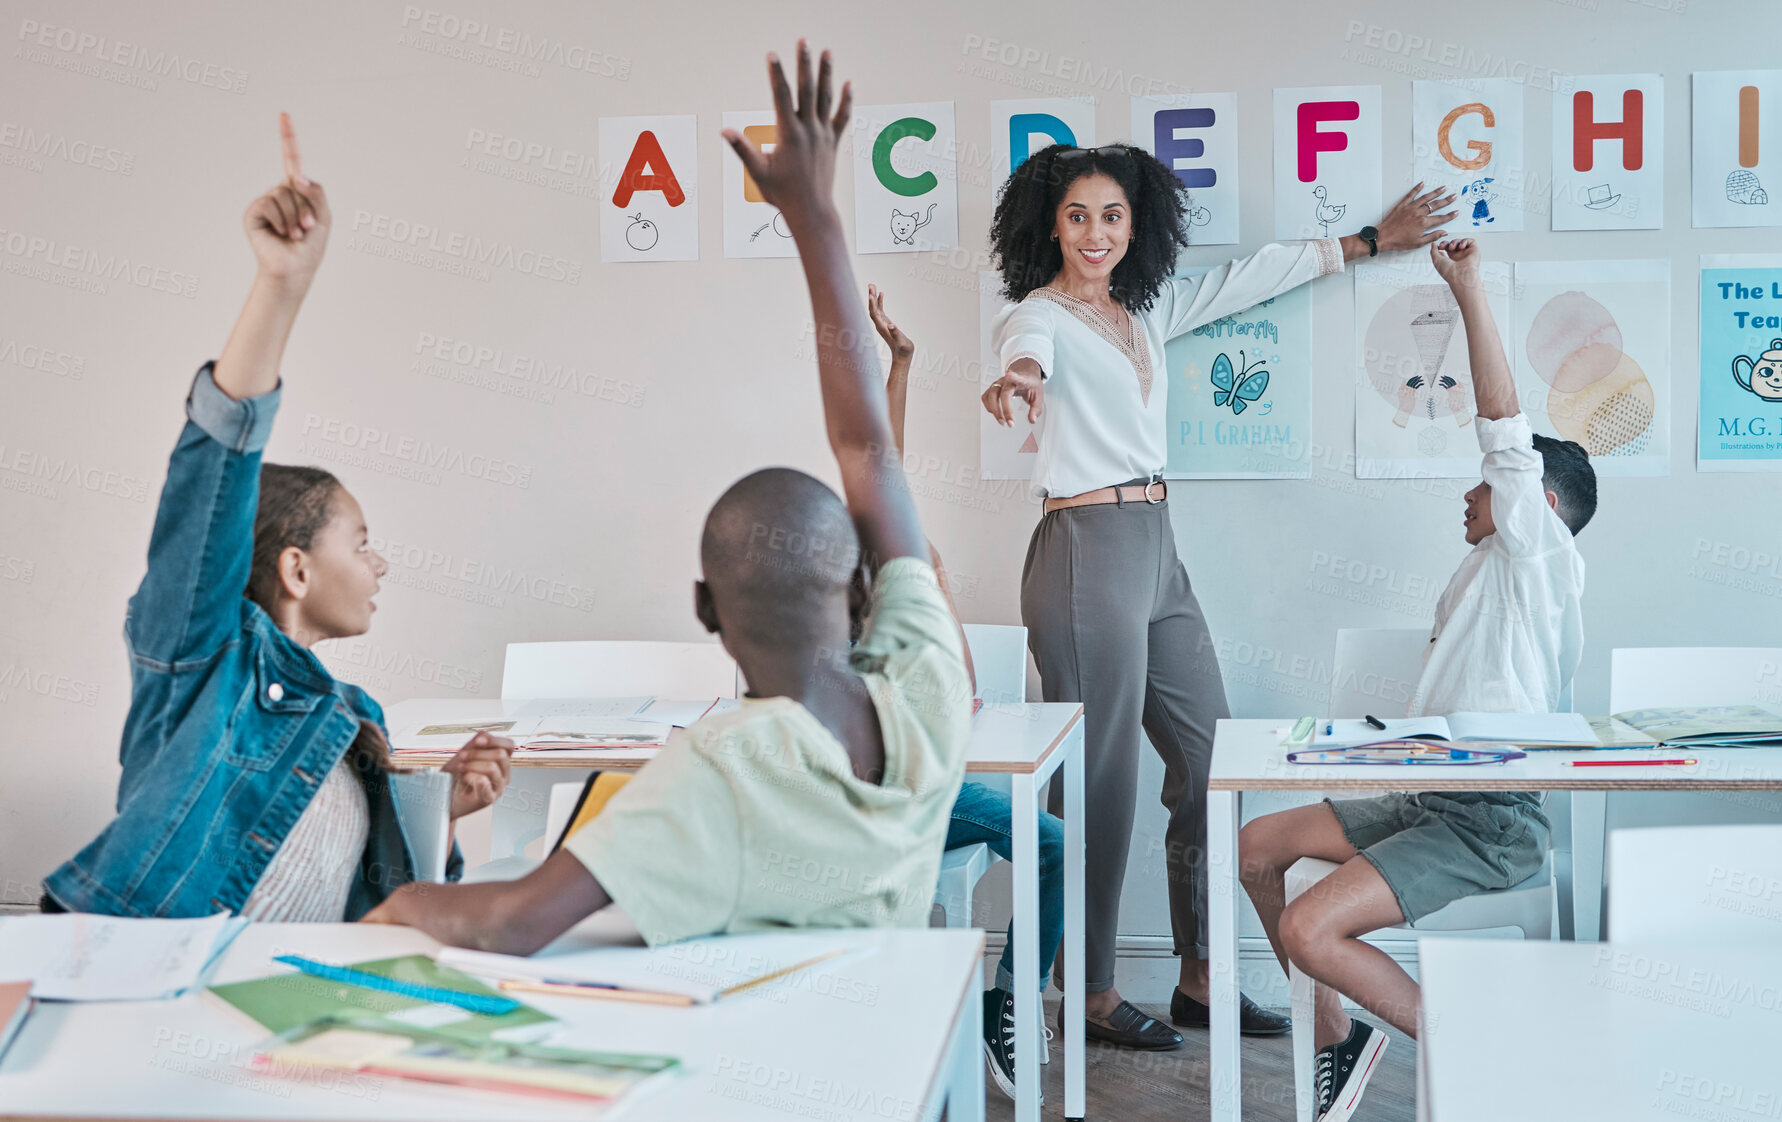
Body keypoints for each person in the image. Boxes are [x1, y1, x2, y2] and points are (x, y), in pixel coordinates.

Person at [363, 43, 973, 956]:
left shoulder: (720, 772)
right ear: (859, 585)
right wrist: (817, 222)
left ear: (705, 611)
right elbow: (868, 451)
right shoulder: (929, 686)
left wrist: (396, 905)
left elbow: (513, 921)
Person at [984, 144, 1454, 1048]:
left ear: (1136, 224)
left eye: (1112, 215)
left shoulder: (1144, 313)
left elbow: (1251, 279)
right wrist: (1022, 381)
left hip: (1157, 546)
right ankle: (1084, 990)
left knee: (1209, 761)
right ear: (1051, 222)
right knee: (1100, 781)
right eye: (1078, 214)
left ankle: (1201, 976)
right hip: (1084, 549)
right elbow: (1027, 355)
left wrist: (1366, 241)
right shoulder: (1035, 316)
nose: (1095, 232)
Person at [41, 116, 510, 921]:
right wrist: (281, 288)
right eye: (361, 542)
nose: (380, 564)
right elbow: (210, 483)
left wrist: (442, 812)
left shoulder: (357, 722)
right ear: (295, 568)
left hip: (274, 1001)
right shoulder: (204, 663)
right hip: (152, 983)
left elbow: (368, 906)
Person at [1237, 237, 1596, 1122]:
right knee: (1255, 848)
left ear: (1535, 505)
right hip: (1430, 795)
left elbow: (1506, 434)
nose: (1470, 496)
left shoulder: (1538, 559)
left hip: (1492, 819)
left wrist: (1468, 289)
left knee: (1307, 927)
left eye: (1489, 487)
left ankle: (1480, 1059)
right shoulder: (1488, 575)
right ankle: (1334, 1038)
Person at [867, 284, 1065, 1101]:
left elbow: (883, 458)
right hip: (878, 799)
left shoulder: (908, 567)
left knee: (1050, 840)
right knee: (1051, 842)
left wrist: (903, 364)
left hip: (927, 785)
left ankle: (1011, 1000)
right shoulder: (835, 590)